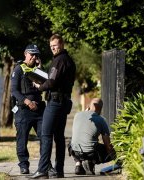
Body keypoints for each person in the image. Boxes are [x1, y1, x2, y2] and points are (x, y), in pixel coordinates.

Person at [28, 34, 76, 179]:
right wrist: (42, 71)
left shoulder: (59, 60)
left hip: (55, 102)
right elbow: (55, 79)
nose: (53, 48)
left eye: (55, 45)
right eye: (51, 46)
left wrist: (39, 86)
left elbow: (52, 82)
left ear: (62, 44)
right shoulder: (68, 60)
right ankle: (59, 170)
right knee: (59, 137)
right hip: (63, 101)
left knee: (46, 134)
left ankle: (43, 170)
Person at [11, 44, 45, 174]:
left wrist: (40, 69)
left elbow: (45, 84)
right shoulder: (19, 69)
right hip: (23, 110)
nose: (34, 57)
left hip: (39, 109)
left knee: (45, 137)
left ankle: (45, 164)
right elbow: (14, 90)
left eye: (36, 55)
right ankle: (23, 164)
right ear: (26, 54)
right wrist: (27, 102)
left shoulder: (38, 69)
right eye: (32, 54)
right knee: (22, 138)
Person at [68, 98, 118, 175]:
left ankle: (78, 164)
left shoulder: (77, 115)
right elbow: (108, 145)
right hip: (91, 153)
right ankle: (90, 162)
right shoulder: (101, 120)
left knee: (72, 142)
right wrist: (116, 157)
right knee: (104, 149)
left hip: (75, 151)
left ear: (88, 106)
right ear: (101, 109)